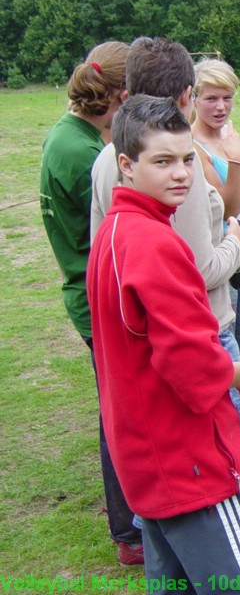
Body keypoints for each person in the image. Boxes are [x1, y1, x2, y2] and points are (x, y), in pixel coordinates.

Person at [87, 94, 240, 593]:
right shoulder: (156, 244)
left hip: (146, 459)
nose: (181, 174)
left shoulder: (112, 232)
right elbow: (193, 369)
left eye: (187, 159)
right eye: (163, 161)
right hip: (191, 464)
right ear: (126, 165)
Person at [39, 40, 143, 565]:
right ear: (122, 94)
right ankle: (130, 532)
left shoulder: (69, 135)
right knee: (120, 413)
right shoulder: (86, 154)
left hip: (86, 291)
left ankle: (130, 517)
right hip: (97, 298)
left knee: (117, 407)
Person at [192, 58, 240, 367]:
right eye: (211, 99)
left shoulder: (228, 135)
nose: (221, 107)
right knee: (225, 336)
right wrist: (234, 160)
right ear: (193, 97)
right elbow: (226, 207)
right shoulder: (193, 147)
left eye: (227, 97)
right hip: (219, 248)